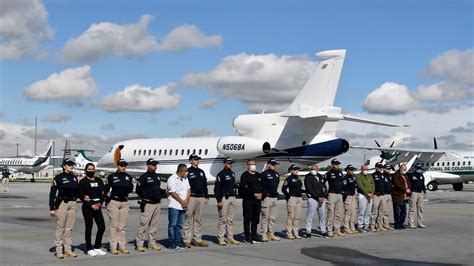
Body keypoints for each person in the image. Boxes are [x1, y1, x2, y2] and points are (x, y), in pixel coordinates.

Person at [48, 158, 79, 259]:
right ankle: (58, 251)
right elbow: (52, 194)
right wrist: (52, 207)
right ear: (64, 166)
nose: (71, 166)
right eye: (69, 164)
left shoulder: (74, 177)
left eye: (72, 165)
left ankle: (68, 250)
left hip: (73, 203)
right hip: (62, 204)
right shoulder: (58, 178)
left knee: (69, 228)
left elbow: (77, 191)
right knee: (60, 227)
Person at [104, 159, 133, 254]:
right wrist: (104, 200)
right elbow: (106, 189)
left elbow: (130, 188)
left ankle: (122, 246)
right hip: (114, 202)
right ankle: (113, 247)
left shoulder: (128, 177)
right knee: (114, 226)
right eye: (121, 165)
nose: (123, 167)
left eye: (124, 165)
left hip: (124, 202)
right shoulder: (112, 177)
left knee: (122, 227)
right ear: (118, 166)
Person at [135, 158, 165, 252]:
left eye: (155, 164)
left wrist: (163, 193)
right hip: (148, 204)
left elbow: (157, 188)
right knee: (143, 224)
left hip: (157, 204)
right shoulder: (144, 177)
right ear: (148, 165)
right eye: (153, 164)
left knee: (154, 226)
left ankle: (152, 244)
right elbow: (138, 190)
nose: (155, 166)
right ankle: (139, 244)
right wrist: (145, 197)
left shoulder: (157, 176)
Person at [78, 163, 107, 257]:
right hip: (88, 208)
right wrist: (91, 205)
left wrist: (99, 204)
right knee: (89, 228)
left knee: (102, 227)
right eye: (89, 169)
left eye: (92, 169)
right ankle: (89, 248)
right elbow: (82, 196)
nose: (91, 170)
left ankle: (97, 247)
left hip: (98, 207)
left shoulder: (99, 180)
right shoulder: (83, 182)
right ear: (86, 170)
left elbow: (103, 194)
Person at [183, 154, 210, 248]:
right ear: (190, 161)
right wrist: (185, 198)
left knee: (198, 219)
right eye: (195, 159)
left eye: (198, 159)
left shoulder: (201, 172)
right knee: (188, 218)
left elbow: (204, 184)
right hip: (191, 197)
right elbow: (184, 185)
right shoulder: (187, 172)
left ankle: (198, 239)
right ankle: (186, 240)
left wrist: (206, 196)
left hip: (201, 197)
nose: (197, 161)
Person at [214, 157, 240, 246]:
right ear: (224, 164)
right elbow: (217, 188)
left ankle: (230, 238)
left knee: (230, 219)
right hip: (224, 198)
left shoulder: (232, 173)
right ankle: (221, 238)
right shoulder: (220, 174)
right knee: (222, 219)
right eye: (229, 163)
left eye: (231, 163)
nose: (230, 164)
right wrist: (219, 200)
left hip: (232, 197)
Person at [167, 164, 190, 250]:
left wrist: (186, 200)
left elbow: (188, 189)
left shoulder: (185, 179)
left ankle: (179, 242)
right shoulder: (172, 179)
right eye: (186, 171)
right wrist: (182, 201)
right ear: (181, 171)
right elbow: (173, 192)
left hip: (183, 205)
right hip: (174, 205)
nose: (187, 173)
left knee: (180, 225)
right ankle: (172, 243)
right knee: (172, 225)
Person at [240, 159, 263, 244]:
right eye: (251, 164)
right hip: (248, 200)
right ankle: (247, 236)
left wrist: (261, 194)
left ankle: (254, 234)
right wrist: (253, 194)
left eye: (254, 164)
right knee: (247, 218)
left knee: (256, 219)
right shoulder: (245, 175)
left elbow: (262, 186)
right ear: (247, 166)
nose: (253, 166)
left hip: (257, 201)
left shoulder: (258, 175)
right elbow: (244, 188)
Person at [304, 164, 328, 238]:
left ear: (317, 169)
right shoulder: (308, 177)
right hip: (313, 199)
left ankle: (323, 231)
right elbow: (309, 189)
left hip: (321, 199)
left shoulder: (321, 176)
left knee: (322, 216)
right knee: (310, 216)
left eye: (314, 169)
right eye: (312, 169)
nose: (313, 170)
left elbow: (324, 187)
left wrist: (323, 196)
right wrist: (317, 197)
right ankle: (308, 231)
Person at [260, 159, 281, 242]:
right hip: (267, 198)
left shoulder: (276, 174)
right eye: (272, 164)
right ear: (268, 165)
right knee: (265, 217)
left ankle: (271, 234)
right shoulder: (264, 174)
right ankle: (263, 235)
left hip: (274, 198)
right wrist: (264, 195)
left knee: (272, 218)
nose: (274, 166)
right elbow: (261, 185)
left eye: (275, 164)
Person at [282, 165, 303, 240]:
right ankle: (289, 233)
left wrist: (305, 191)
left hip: (299, 198)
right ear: (291, 170)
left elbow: (299, 188)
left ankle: (296, 233)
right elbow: (283, 189)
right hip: (292, 198)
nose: (297, 171)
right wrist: (289, 196)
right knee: (291, 217)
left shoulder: (298, 178)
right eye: (295, 169)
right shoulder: (288, 179)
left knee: (297, 217)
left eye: (297, 169)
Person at [325, 159, 345, 237]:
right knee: (331, 213)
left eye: (338, 164)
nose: (337, 165)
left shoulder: (340, 173)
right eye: (336, 164)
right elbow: (323, 183)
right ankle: (329, 230)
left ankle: (337, 230)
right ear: (332, 165)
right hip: (332, 194)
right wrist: (325, 193)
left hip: (339, 195)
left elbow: (343, 183)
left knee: (338, 213)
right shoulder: (328, 173)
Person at [355, 165, 374, 233]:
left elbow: (373, 184)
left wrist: (372, 193)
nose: (366, 171)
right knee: (361, 211)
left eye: (367, 169)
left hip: (370, 196)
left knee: (368, 212)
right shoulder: (358, 176)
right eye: (364, 169)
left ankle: (366, 225)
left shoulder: (369, 176)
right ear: (361, 169)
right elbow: (360, 186)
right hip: (362, 196)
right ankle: (360, 226)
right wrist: (367, 194)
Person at [408, 163, 427, 229]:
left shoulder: (421, 175)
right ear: (415, 168)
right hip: (413, 193)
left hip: (420, 192)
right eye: (418, 169)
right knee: (412, 208)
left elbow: (423, 184)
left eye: (420, 169)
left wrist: (424, 192)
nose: (419, 170)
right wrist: (409, 193)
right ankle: (411, 223)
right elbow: (408, 184)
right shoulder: (411, 175)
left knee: (420, 208)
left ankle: (420, 222)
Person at [392, 164, 411, 230]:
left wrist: (409, 189)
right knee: (397, 211)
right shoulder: (396, 175)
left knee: (404, 211)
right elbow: (397, 184)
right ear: (400, 168)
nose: (404, 171)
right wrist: (405, 189)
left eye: (405, 170)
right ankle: (397, 224)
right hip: (398, 196)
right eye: (404, 169)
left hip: (405, 197)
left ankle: (401, 223)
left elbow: (408, 183)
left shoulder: (405, 175)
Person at [370, 163, 386, 232]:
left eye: (381, 167)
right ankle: (372, 226)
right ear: (376, 167)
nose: (381, 169)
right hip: (376, 195)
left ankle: (380, 225)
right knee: (374, 211)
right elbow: (371, 185)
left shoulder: (382, 175)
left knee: (381, 212)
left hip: (382, 195)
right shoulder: (373, 175)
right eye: (379, 167)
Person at [342, 164, 358, 235]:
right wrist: (345, 195)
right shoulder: (345, 178)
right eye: (351, 170)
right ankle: (346, 228)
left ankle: (352, 227)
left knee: (353, 213)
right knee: (348, 213)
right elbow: (342, 188)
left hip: (353, 196)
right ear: (347, 170)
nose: (352, 171)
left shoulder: (353, 177)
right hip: (348, 196)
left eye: (353, 170)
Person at [382, 164, 394, 230]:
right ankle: (382, 224)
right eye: (387, 169)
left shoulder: (390, 176)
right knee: (383, 210)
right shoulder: (382, 176)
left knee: (388, 210)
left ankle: (386, 224)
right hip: (384, 194)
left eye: (389, 169)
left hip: (389, 194)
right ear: (384, 169)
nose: (389, 170)